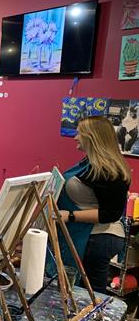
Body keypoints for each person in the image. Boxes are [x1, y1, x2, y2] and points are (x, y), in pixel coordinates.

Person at [57, 116, 131, 293]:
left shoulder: (108, 171)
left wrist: (70, 216)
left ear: (92, 137)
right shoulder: (90, 164)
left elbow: (110, 213)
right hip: (91, 236)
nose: (75, 137)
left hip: (98, 237)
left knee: (90, 293)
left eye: (79, 133)